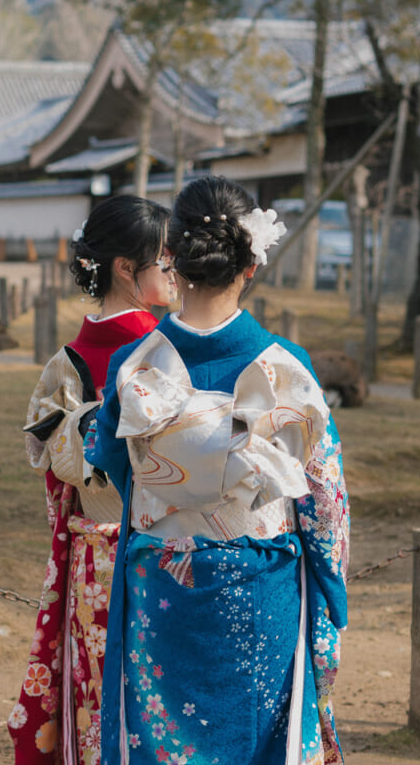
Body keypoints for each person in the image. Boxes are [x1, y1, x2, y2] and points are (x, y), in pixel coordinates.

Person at [85, 176, 349, 765]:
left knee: (159, 741)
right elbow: (323, 503)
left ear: (171, 257)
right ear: (250, 265)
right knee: (257, 742)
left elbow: (114, 468)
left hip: (162, 581)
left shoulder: (133, 366)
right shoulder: (288, 368)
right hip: (260, 585)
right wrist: (332, 590)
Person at [8, 194, 175, 765]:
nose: (175, 272)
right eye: (165, 261)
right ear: (126, 269)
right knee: (166, 706)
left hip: (92, 560)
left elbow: (53, 475)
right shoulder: (170, 355)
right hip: (169, 551)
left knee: (95, 694)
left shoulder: (65, 362)